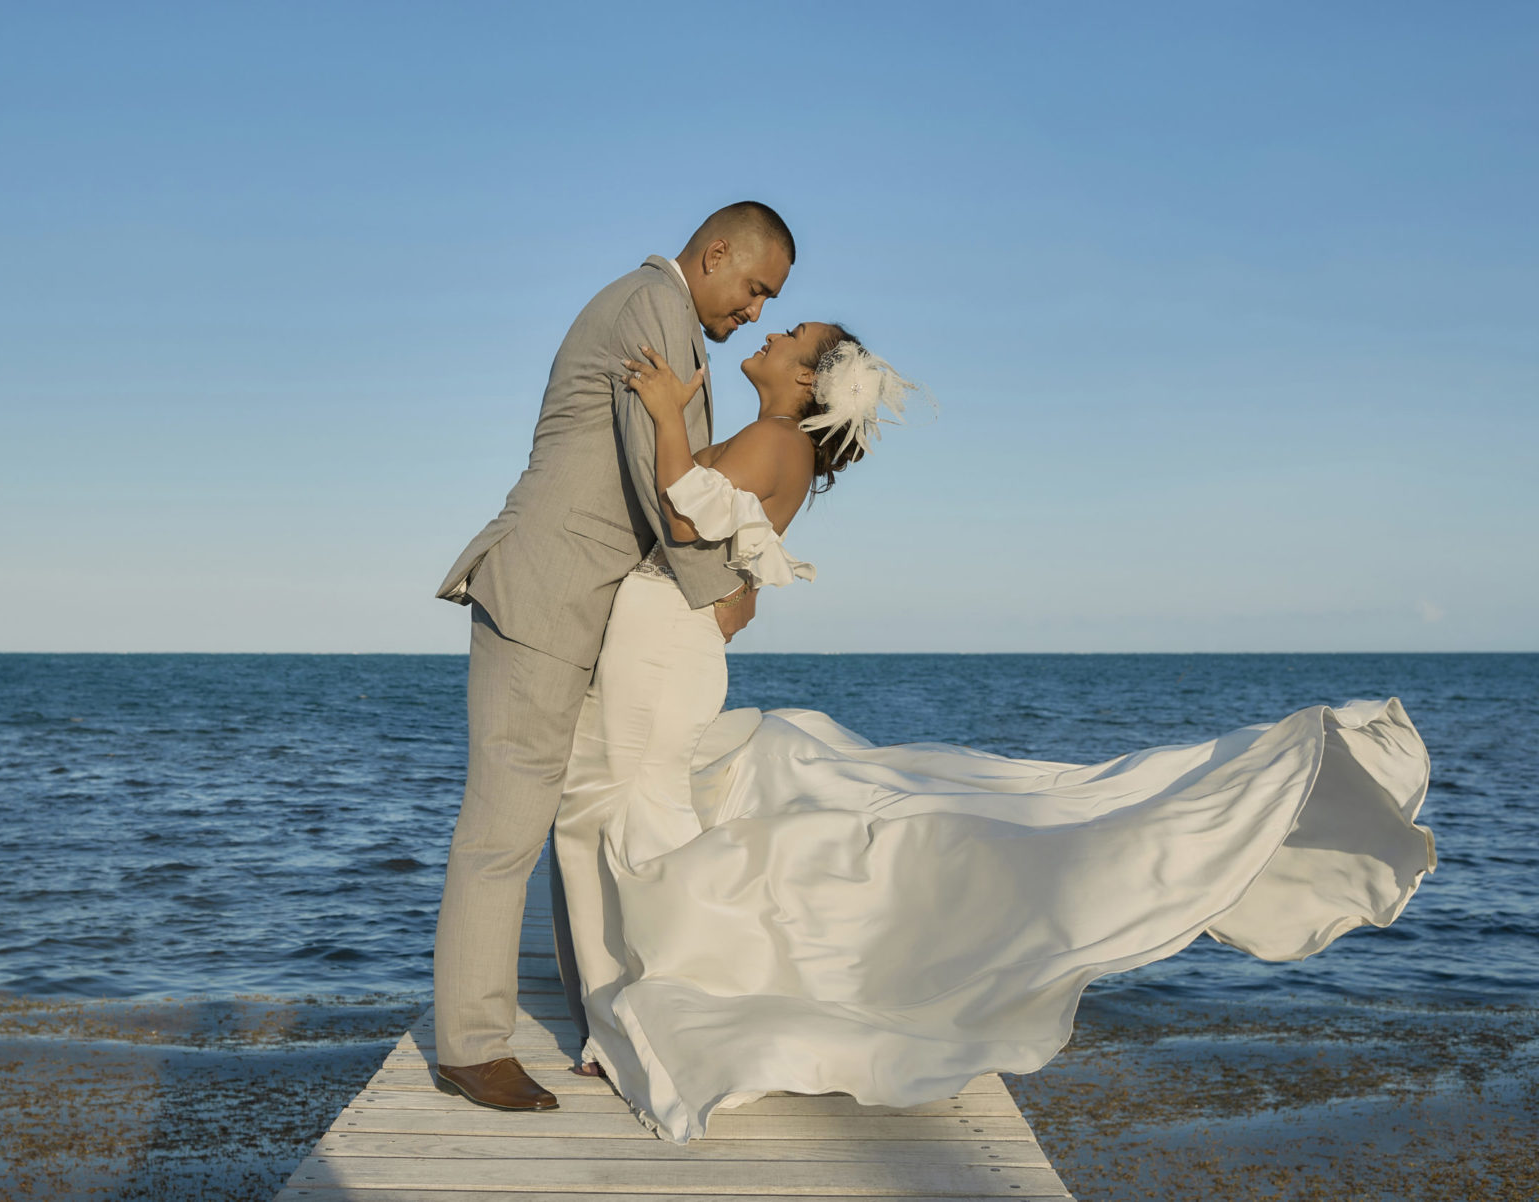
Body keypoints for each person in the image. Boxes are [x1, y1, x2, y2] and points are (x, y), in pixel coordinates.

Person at [552, 325, 1438, 1143]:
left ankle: (655, 1008)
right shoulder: (774, 443)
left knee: (630, 809)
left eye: (793, 335)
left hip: (665, 651)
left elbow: (680, 516)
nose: (773, 332)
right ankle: (628, 1002)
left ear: (807, 380)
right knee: (617, 808)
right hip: (673, 646)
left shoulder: (774, 440)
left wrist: (666, 414)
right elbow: (728, 580)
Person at [429, 201, 795, 1111]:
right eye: (755, 289)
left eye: (770, 302)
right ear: (715, 255)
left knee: (568, 826)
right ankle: (471, 1046)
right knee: (504, 826)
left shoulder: (672, 320)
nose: (755, 311)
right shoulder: (651, 307)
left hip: (587, 606)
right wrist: (727, 592)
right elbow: (657, 480)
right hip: (547, 591)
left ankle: (600, 1013)